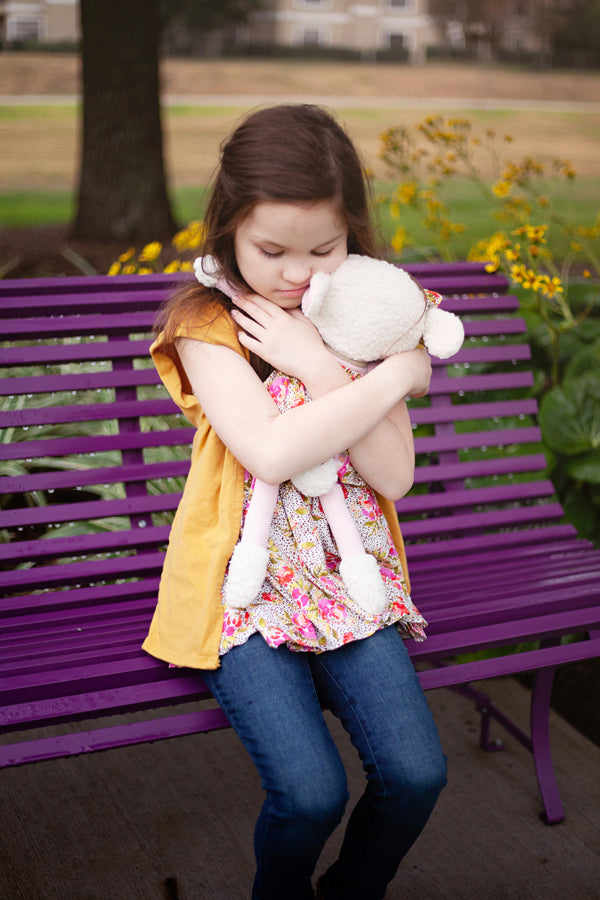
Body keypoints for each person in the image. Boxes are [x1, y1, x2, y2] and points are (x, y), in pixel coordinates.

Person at [143, 104, 447, 900]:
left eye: (325, 249)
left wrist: (321, 365)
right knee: (310, 795)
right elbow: (271, 451)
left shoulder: (363, 317)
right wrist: (396, 376)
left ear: (353, 235)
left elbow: (393, 475)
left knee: (415, 775)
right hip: (240, 594)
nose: (296, 273)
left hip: (347, 588)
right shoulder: (209, 325)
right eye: (271, 250)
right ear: (228, 231)